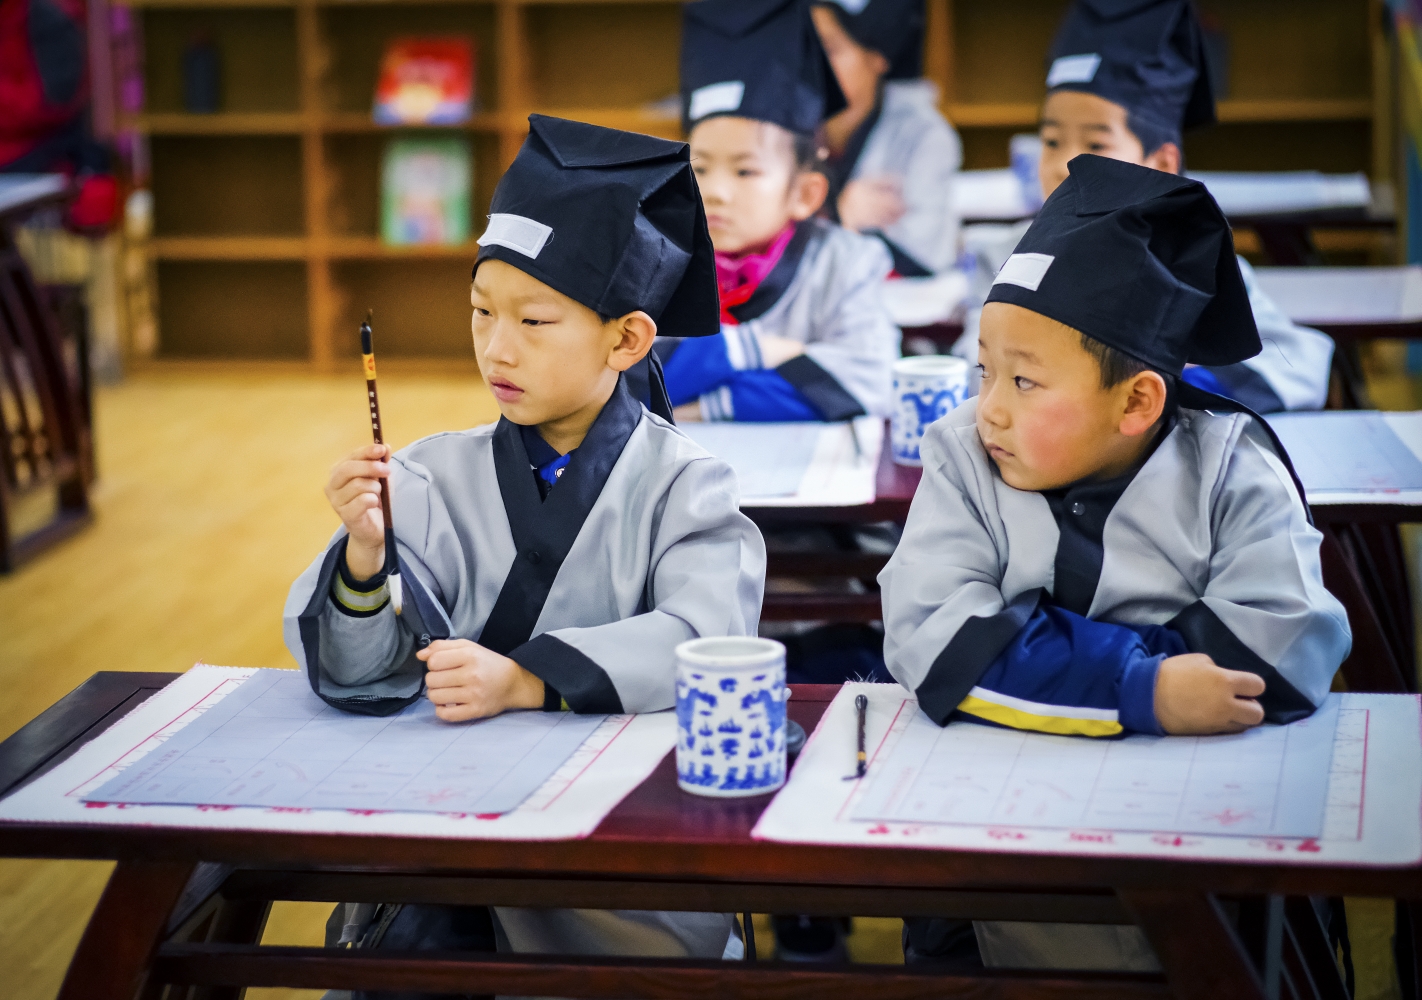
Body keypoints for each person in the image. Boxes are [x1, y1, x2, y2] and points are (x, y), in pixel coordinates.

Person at [283, 114, 768, 990]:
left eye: (535, 321)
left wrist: (526, 680)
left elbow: (707, 637)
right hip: (445, 833)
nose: (497, 348)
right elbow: (364, 669)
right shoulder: (429, 474)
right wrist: (363, 561)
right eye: (480, 312)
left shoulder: (687, 483)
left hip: (616, 849)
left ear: (626, 339)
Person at [881, 154, 1351, 971]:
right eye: (984, 368)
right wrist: (1145, 687)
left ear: (1136, 401)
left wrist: (1031, 654)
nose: (988, 406)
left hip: (1202, 834)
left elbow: (1278, 648)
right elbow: (934, 635)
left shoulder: (1232, 467)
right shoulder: (961, 453)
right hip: (994, 834)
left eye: (1025, 381)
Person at [958, 0, 1333, 412]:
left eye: (1096, 144)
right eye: (1051, 142)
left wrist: (1185, 370)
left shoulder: (1195, 266)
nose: (1068, 166)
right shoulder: (1003, 256)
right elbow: (968, 372)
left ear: (1163, 164)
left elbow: (1303, 369)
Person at [661, 0, 900, 423]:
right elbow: (630, 380)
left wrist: (708, 404)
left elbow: (871, 381)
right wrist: (769, 353)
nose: (714, 192)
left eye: (745, 170)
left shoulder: (846, 263)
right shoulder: (659, 260)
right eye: (699, 167)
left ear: (805, 194)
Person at [811, 0, 962, 277]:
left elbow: (927, 258)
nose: (814, 64)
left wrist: (835, 224)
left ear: (876, 56)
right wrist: (839, 217)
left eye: (831, 49)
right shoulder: (786, 131)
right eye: (806, 50)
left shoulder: (924, 134)